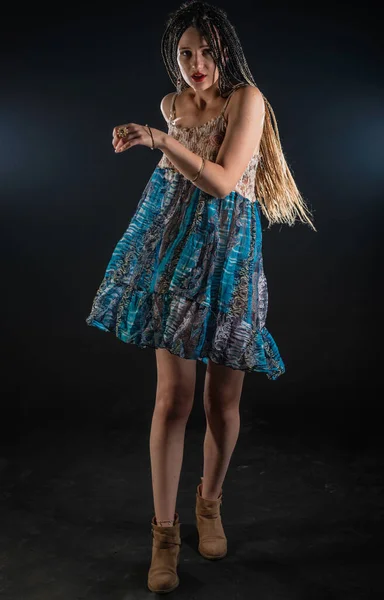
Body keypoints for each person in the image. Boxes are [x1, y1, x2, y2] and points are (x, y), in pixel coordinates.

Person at [86, 0, 316, 593]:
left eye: (207, 50)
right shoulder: (171, 104)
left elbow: (218, 182)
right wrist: (155, 136)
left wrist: (160, 140)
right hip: (176, 255)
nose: (196, 64)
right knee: (173, 399)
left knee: (222, 400)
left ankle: (208, 505)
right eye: (185, 53)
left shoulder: (248, 100)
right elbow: (174, 190)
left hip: (231, 258)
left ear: (225, 50)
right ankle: (164, 536)